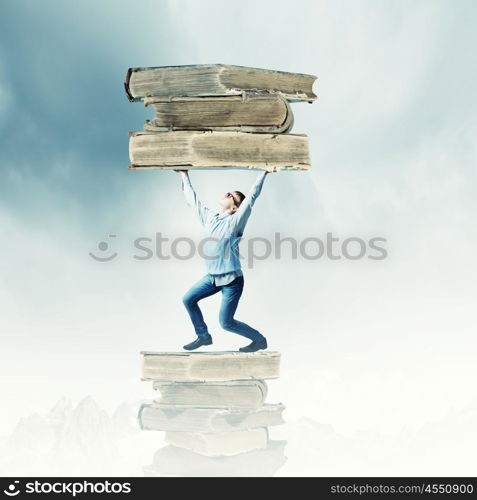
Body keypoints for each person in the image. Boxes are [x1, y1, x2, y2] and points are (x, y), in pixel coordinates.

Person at [175, 169, 270, 353]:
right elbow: (192, 201)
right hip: (212, 278)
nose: (227, 194)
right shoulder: (210, 219)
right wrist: (183, 174)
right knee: (188, 299)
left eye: (231, 196)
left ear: (235, 208)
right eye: (228, 192)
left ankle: (259, 340)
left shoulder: (234, 222)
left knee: (226, 323)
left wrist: (264, 172)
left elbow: (251, 198)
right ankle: (203, 336)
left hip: (232, 281)